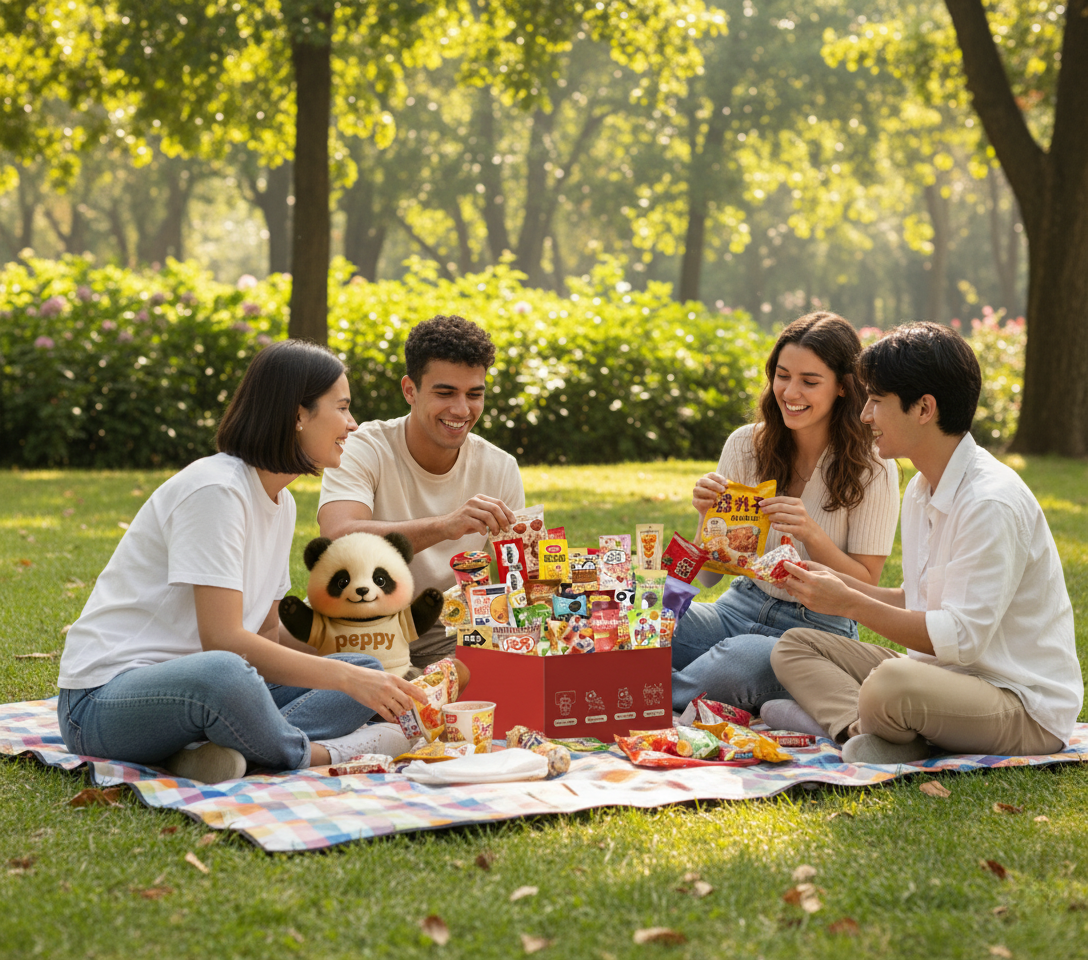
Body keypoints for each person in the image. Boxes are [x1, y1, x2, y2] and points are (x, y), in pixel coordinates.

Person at [56, 340, 428, 784]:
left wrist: (366, 665)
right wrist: (342, 681)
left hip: (200, 694)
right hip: (102, 703)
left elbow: (266, 634)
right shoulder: (216, 490)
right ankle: (317, 754)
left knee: (363, 666)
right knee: (228, 672)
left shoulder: (280, 501)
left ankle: (213, 752)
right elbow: (224, 640)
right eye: (343, 408)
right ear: (297, 415)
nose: (352, 424)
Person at [770, 322, 1083, 763]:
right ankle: (871, 732)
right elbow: (919, 599)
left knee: (889, 683)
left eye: (876, 402)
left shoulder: (990, 502)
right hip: (941, 678)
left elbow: (960, 637)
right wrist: (842, 586)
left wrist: (850, 605)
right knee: (795, 646)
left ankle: (870, 726)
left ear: (924, 408)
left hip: (1019, 704)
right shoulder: (921, 488)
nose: (865, 416)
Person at [671, 312, 900, 715]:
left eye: (810, 382)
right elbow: (707, 575)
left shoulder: (874, 467)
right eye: (782, 375)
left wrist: (813, 534)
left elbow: (866, 582)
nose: (790, 392)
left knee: (742, 660)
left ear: (843, 388)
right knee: (646, 620)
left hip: (815, 629)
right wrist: (707, 519)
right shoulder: (745, 446)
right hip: (735, 608)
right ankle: (689, 687)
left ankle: (639, 692)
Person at [317, 315, 525, 666]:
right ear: (410, 390)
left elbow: (518, 580)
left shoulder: (499, 467)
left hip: (450, 636)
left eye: (474, 394)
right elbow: (338, 537)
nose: (462, 409)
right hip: (361, 627)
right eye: (445, 393)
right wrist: (445, 526)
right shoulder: (366, 446)